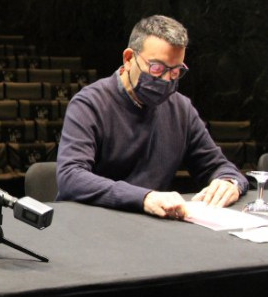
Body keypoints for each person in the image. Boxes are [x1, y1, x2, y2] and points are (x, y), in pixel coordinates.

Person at [55, 15, 248, 219]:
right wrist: (144, 197)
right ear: (129, 59)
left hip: (147, 227)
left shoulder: (181, 108)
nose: (166, 80)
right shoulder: (90, 103)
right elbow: (71, 177)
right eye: (157, 68)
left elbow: (218, 166)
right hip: (89, 223)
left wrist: (230, 182)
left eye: (175, 72)